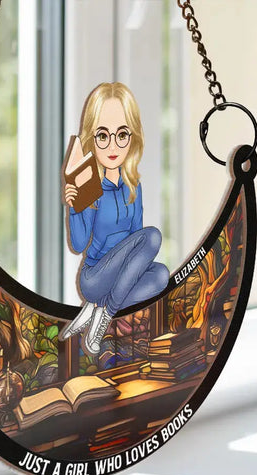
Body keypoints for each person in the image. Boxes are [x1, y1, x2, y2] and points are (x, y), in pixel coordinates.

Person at [60, 82, 169, 355]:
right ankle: (105, 314)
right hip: (94, 277)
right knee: (153, 236)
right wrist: (73, 208)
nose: (112, 145)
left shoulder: (134, 186)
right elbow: (78, 244)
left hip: (119, 280)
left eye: (121, 135)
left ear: (133, 136)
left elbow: (138, 246)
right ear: (91, 138)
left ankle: (99, 312)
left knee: (161, 275)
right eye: (102, 136)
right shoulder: (90, 186)